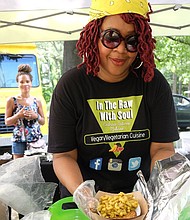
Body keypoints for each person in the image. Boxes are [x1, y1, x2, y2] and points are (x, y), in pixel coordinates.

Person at [48, 0, 179, 218]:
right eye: (111, 37)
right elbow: (63, 156)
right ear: (94, 36)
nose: (120, 49)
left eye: (132, 41)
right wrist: (85, 195)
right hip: (82, 203)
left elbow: (163, 149)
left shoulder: (154, 83)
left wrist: (157, 188)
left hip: (141, 203)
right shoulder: (71, 85)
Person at [5, 64, 45, 160]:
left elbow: (43, 121)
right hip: (18, 140)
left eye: (27, 81)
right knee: (18, 168)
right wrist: (18, 115)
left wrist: (36, 116)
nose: (25, 84)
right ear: (18, 83)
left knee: (35, 167)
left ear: (31, 83)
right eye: (21, 82)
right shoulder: (12, 101)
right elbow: (7, 122)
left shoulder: (37, 101)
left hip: (35, 140)